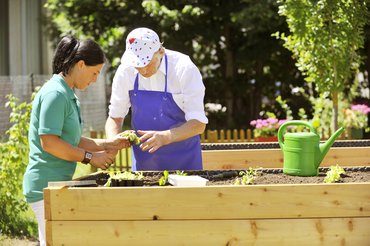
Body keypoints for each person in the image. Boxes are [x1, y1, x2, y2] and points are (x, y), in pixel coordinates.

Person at [23, 36, 130, 246]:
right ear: (81, 65)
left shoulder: (66, 92)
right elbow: (50, 143)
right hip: (43, 186)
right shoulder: (55, 94)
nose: (95, 79)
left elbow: (72, 140)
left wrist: (108, 144)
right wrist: (91, 158)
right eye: (95, 73)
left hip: (57, 185)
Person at [105, 27, 208, 171]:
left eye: (147, 63)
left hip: (185, 161)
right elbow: (115, 117)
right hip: (145, 162)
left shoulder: (183, 68)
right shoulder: (125, 71)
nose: (143, 70)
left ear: (161, 51)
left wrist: (166, 137)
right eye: (138, 65)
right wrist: (112, 144)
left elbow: (198, 124)